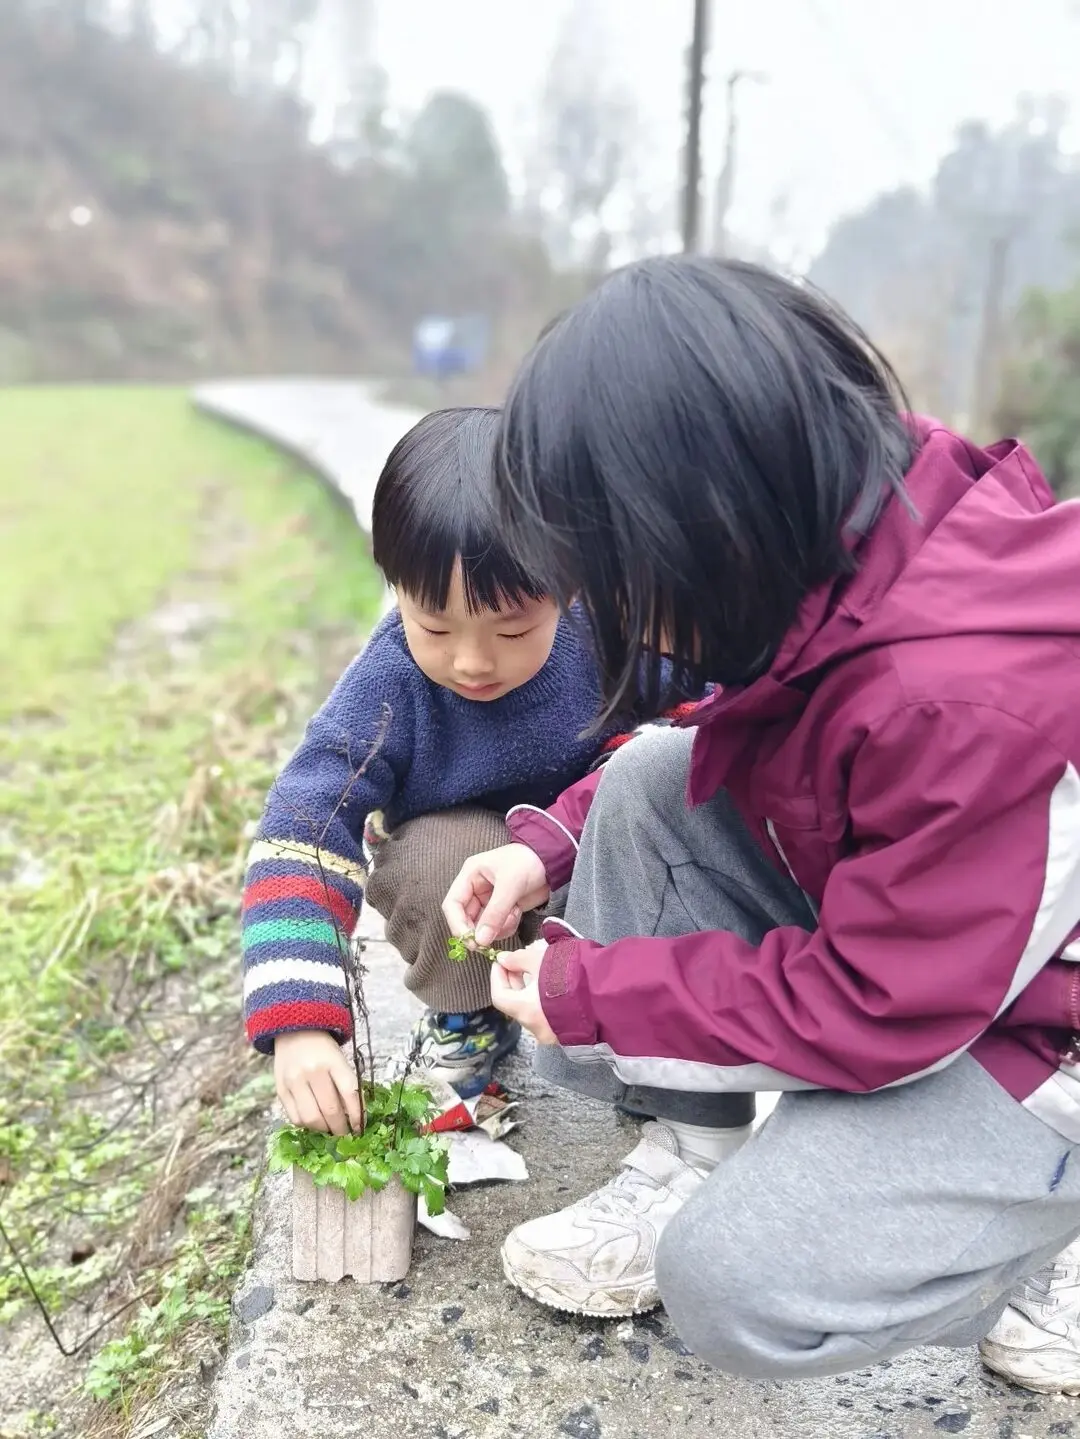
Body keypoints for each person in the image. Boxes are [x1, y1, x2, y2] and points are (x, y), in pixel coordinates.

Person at [443, 257, 1080, 1395]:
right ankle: (691, 1154)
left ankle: (1042, 1245)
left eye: (613, 565)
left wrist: (605, 989)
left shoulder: (955, 697)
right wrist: (545, 845)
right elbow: (724, 727)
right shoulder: (836, 519)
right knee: (650, 781)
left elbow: (888, 1006)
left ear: (697, 517)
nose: (605, 599)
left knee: (741, 1286)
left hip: (1044, 1027)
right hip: (956, 934)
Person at [241, 405, 689, 1124]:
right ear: (395, 589)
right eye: (435, 627)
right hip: (469, 904)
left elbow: (719, 709)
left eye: (513, 629)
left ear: (568, 586)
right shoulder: (387, 689)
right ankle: (472, 1019)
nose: (474, 661)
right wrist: (300, 1021)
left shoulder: (611, 639)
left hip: (592, 875)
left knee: (662, 774)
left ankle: (640, 1024)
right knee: (441, 851)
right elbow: (302, 830)